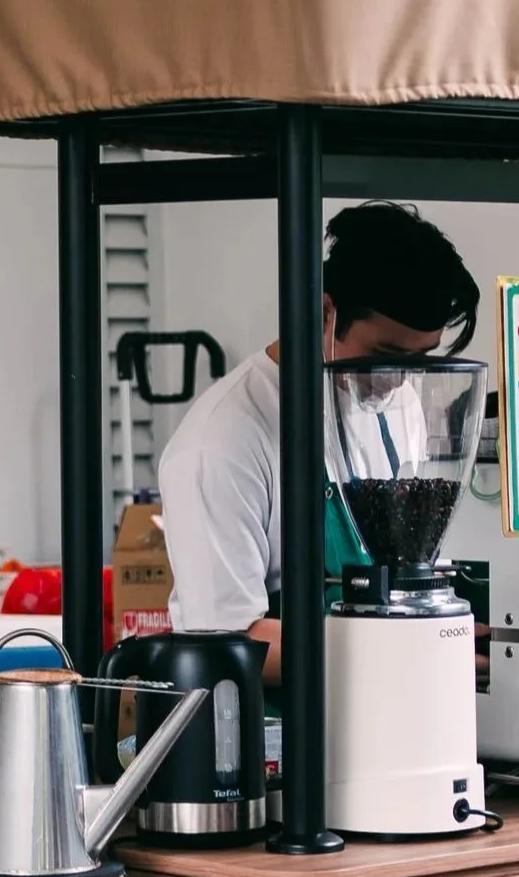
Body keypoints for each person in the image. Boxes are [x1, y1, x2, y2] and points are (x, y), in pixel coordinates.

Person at [157, 201, 479, 666]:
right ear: (325, 312)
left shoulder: (399, 404)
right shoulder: (222, 442)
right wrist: (396, 650)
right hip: (274, 713)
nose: (397, 379)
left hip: (381, 696)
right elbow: (229, 644)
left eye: (419, 359)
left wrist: (441, 635)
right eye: (382, 354)